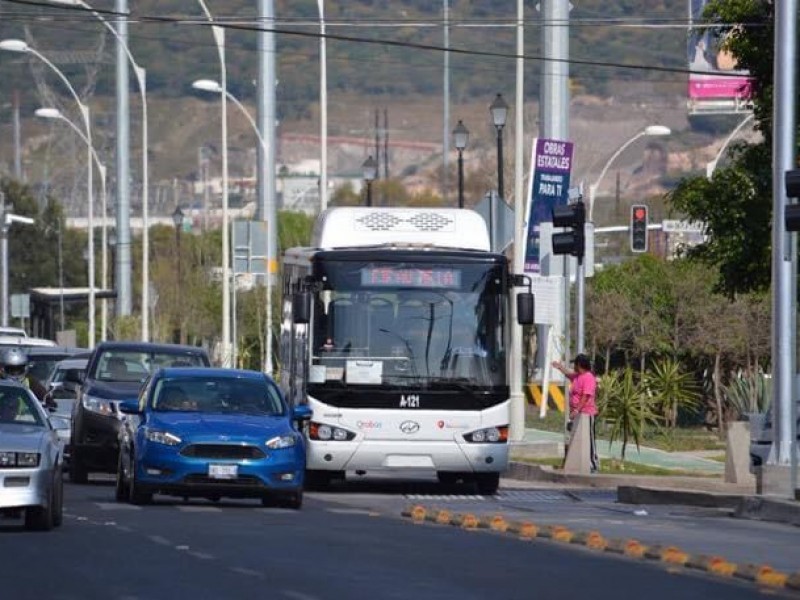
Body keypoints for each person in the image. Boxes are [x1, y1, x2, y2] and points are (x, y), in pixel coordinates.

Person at [552, 353, 599, 473]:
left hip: (586, 413)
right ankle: (572, 462)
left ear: (579, 364)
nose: (574, 367)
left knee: (590, 439)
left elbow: (585, 396)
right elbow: (568, 374)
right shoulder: (578, 376)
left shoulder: (588, 377)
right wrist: (559, 367)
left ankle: (593, 463)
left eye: (575, 364)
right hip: (576, 414)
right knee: (574, 438)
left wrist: (577, 409)